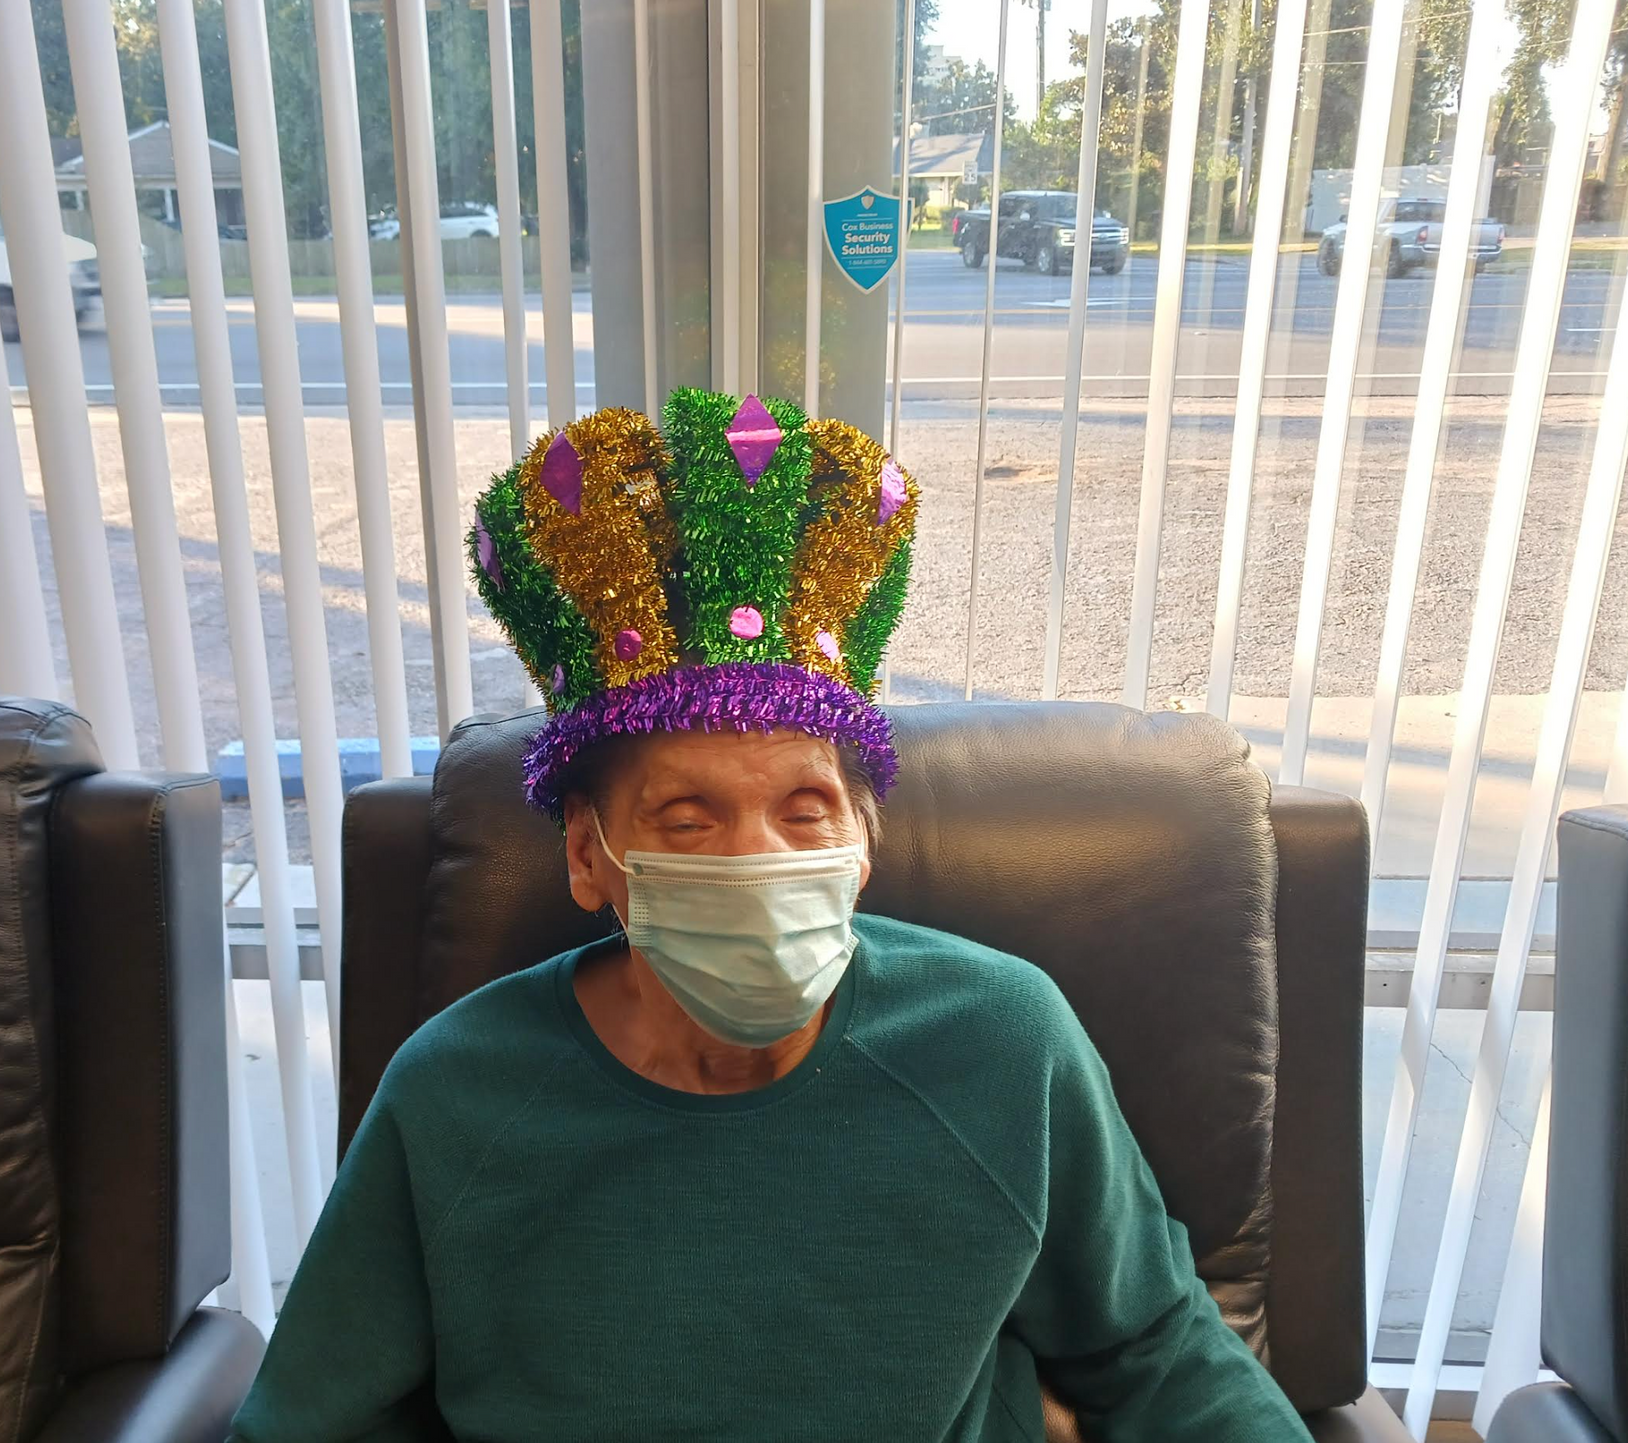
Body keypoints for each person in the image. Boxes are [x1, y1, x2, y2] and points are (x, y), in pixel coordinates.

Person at [228, 390, 1312, 1442]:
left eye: (805, 810)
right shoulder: (456, 1092)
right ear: (587, 856)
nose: (758, 858)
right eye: (687, 820)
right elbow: (313, 1419)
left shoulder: (1002, 1041)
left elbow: (1156, 1348)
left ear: (863, 841)